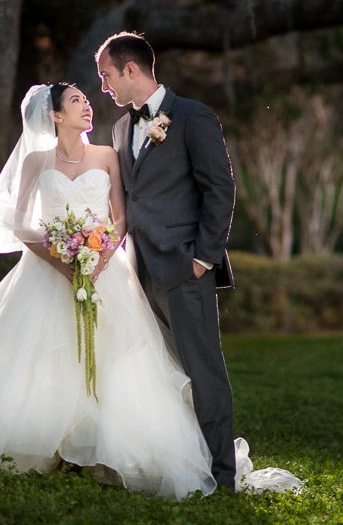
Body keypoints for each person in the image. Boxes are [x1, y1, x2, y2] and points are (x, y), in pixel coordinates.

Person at [0, 83, 218, 499]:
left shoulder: (107, 155)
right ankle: (51, 445)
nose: (88, 106)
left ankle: (101, 447)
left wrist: (98, 260)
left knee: (113, 357)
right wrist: (62, 262)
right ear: (55, 116)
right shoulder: (36, 161)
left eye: (88, 101)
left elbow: (121, 219)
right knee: (47, 356)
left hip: (104, 270)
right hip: (47, 271)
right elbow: (17, 224)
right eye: (77, 102)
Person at [95, 31, 239, 489]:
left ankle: (222, 475)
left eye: (106, 76)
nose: (104, 87)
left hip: (183, 268)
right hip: (136, 274)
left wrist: (203, 258)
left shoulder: (193, 116)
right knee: (159, 374)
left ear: (130, 70)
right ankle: (182, 464)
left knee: (203, 371)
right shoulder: (119, 129)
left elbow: (220, 190)